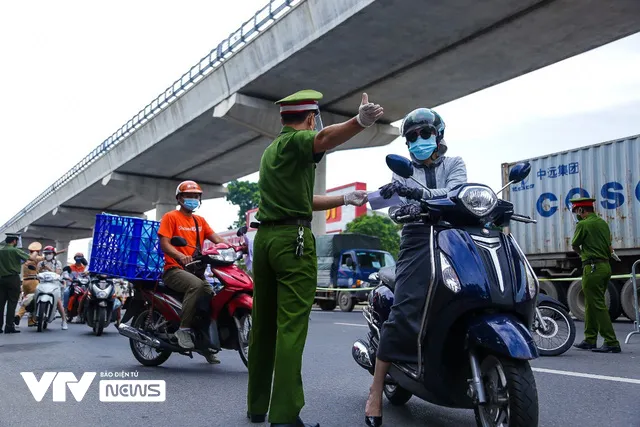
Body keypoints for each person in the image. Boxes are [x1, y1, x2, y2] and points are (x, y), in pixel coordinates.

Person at [246, 89, 381, 427]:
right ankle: (285, 415)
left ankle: (258, 405)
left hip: (265, 240)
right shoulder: (297, 142)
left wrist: (345, 198)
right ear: (309, 119)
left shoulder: (271, 152)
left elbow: (304, 200)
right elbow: (323, 138)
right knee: (290, 327)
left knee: (263, 326)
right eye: (314, 121)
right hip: (293, 241)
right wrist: (359, 122)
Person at [363, 107, 467, 426]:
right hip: (417, 239)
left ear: (438, 136)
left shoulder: (455, 164)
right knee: (404, 309)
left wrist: (419, 192)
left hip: (455, 236)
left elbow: (457, 194)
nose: (419, 140)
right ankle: (376, 392)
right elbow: (379, 200)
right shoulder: (403, 170)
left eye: (425, 134)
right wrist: (388, 192)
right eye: (412, 137)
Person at [157, 179, 229, 362]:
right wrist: (180, 256)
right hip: (174, 269)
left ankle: (205, 342)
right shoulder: (170, 217)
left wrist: (231, 247)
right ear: (179, 198)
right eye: (188, 196)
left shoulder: (200, 221)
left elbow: (216, 238)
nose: (193, 199)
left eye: (196, 196)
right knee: (197, 286)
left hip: (194, 270)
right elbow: (164, 243)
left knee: (211, 296)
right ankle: (184, 330)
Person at [570, 197, 621, 353]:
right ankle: (590, 339)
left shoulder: (583, 224)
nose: (577, 214)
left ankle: (611, 341)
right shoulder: (602, 223)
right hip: (605, 266)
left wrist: (582, 254)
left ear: (581, 210)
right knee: (591, 303)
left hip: (591, 268)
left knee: (597, 304)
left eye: (577, 211)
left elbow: (574, 245)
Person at [0, 233, 38, 333]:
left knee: (1, 303)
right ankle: (9, 327)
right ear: (14, 241)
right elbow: (32, 259)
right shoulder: (15, 250)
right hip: (13, 279)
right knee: (12, 303)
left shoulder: (1, 250)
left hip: (1, 279)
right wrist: (34, 252)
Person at [37, 246, 68, 330]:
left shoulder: (57, 263)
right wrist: (40, 269)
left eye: (49, 253)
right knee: (33, 297)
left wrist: (47, 268)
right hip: (42, 284)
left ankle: (64, 320)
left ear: (53, 254)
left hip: (54, 284)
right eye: (46, 253)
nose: (47, 255)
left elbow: (58, 273)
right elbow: (38, 273)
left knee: (58, 302)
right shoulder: (40, 263)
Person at [14, 242, 44, 327]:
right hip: (33, 282)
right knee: (34, 301)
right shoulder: (36, 258)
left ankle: (24, 318)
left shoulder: (25, 257)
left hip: (25, 282)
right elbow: (47, 257)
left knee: (26, 300)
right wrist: (59, 252)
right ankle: (26, 318)